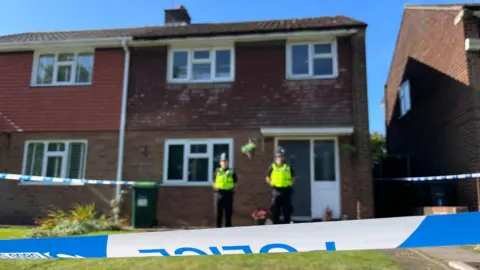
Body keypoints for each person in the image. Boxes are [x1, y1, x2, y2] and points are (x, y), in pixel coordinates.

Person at [265, 148, 295, 224]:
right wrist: (271, 184)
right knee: (275, 209)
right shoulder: (272, 167)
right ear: (276, 158)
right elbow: (267, 177)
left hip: (286, 190)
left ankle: (287, 224)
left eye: (282, 157)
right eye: (279, 157)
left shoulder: (288, 167)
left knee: (287, 210)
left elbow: (293, 177)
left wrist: (290, 184)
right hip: (276, 190)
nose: (280, 158)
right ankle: (275, 224)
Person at [213, 153, 237, 228]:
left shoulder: (231, 171)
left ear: (228, 162)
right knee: (218, 214)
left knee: (228, 214)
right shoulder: (217, 171)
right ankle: (217, 230)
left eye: (225, 161)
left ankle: (228, 231)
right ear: (220, 163)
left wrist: (231, 189)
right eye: (223, 161)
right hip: (219, 194)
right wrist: (216, 188)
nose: (224, 163)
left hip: (228, 194)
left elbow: (235, 182)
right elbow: (213, 182)